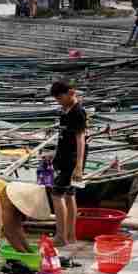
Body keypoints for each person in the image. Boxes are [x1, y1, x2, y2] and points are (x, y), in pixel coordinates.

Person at [50, 80, 88, 249]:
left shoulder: (78, 112)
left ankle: (60, 236)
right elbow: (64, 137)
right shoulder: (65, 111)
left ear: (70, 93)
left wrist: (79, 165)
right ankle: (71, 235)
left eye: (60, 98)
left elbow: (81, 139)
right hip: (63, 157)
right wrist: (53, 155)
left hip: (71, 160)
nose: (59, 101)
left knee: (56, 195)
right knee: (69, 194)